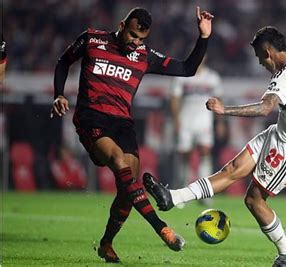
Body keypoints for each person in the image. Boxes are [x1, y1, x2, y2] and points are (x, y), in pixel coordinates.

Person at [144, 26, 286, 267]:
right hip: (279, 132)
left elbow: (265, 108)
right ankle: (173, 197)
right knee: (232, 169)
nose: (260, 64)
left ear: (267, 51)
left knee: (254, 200)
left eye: (259, 58)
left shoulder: (283, 80)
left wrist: (225, 111)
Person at [50, 7, 214, 263]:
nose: (136, 43)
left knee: (128, 187)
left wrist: (203, 37)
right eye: (133, 36)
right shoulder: (92, 39)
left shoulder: (144, 55)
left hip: (122, 123)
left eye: (141, 39)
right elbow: (63, 61)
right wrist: (59, 94)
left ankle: (106, 243)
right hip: (91, 116)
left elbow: (187, 68)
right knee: (119, 162)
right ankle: (162, 228)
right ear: (122, 24)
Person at [169, 58, 222, 201]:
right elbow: (174, 99)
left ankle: (205, 193)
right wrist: (176, 121)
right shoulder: (182, 76)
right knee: (184, 155)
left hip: (204, 121)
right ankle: (181, 190)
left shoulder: (212, 77)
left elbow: (219, 100)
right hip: (185, 120)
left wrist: (220, 123)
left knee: (205, 152)